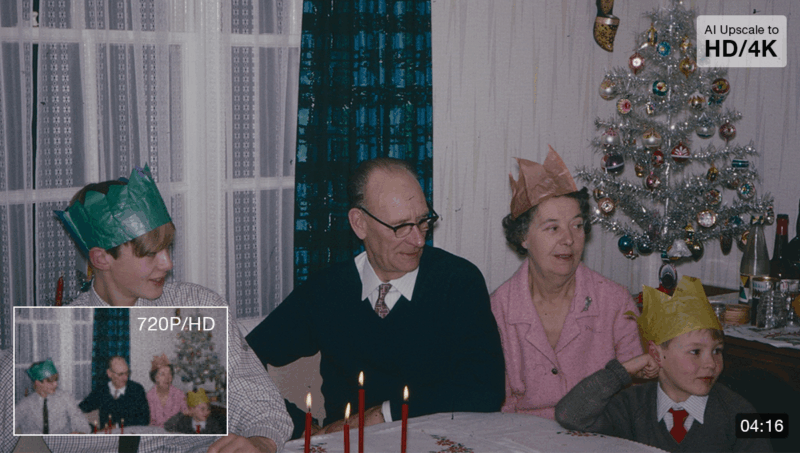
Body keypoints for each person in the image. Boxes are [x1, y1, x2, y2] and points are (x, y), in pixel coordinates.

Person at [246, 157, 505, 434]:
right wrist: (299, 428)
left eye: (423, 221)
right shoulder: (327, 290)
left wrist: (382, 415)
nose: (418, 240)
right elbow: (240, 358)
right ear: (360, 224)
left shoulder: (458, 281)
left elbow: (486, 390)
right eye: (400, 226)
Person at [44, 165, 292, 453]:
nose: (167, 264)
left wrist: (260, 442)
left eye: (168, 248)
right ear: (101, 259)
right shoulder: (58, 335)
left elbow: (259, 403)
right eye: (150, 253)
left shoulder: (198, 309)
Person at [491, 146, 643, 419]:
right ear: (523, 236)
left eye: (577, 225)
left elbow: (635, 396)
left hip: (599, 435)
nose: (569, 240)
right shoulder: (498, 308)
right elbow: (495, 404)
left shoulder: (615, 301)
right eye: (553, 228)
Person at [555, 276, 772, 452]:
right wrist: (622, 371)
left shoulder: (740, 412)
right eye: (695, 352)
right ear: (657, 355)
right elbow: (569, 415)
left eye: (717, 351)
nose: (711, 364)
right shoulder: (633, 406)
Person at [15, 360, 88, 434]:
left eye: (56, 380)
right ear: (38, 383)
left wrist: (81, 432)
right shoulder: (25, 403)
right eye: (50, 381)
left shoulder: (65, 397)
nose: (55, 384)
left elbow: (80, 421)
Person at [79, 356, 150, 428]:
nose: (125, 378)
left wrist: (116, 426)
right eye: (120, 374)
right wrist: (92, 429)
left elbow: (144, 419)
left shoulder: (136, 389)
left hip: (129, 435)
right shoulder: (101, 390)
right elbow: (81, 408)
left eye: (127, 373)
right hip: (108, 436)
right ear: (109, 373)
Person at [146, 354, 188, 428]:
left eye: (170, 374)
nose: (167, 378)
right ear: (155, 377)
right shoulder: (148, 397)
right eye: (163, 374)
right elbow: (147, 422)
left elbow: (186, 417)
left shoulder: (179, 394)